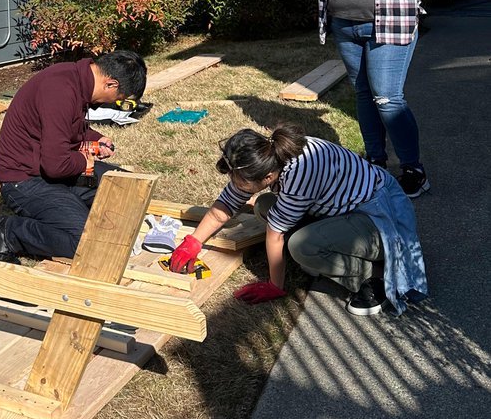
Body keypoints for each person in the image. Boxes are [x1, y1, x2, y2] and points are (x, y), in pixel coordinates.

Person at [169, 122, 428, 317]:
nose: (236, 186)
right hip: (345, 209)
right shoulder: (267, 157)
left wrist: (275, 285)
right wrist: (194, 241)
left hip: (380, 220)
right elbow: (225, 206)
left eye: (241, 182)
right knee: (264, 205)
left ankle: (373, 279)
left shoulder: (301, 173)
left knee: (301, 247)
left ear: (268, 177)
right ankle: (329, 250)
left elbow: (275, 234)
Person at [313, 0, 458, 198]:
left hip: (390, 25)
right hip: (345, 26)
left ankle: (413, 170)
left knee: (387, 98)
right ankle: (375, 163)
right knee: (364, 95)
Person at [0, 50, 147, 262]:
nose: (115, 103)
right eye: (119, 99)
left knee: (129, 187)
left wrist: (96, 139)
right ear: (111, 84)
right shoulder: (60, 90)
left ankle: (71, 209)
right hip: (24, 180)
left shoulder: (77, 80)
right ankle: (9, 231)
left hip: (51, 171)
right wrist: (84, 160)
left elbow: (66, 129)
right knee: (85, 242)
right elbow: (55, 165)